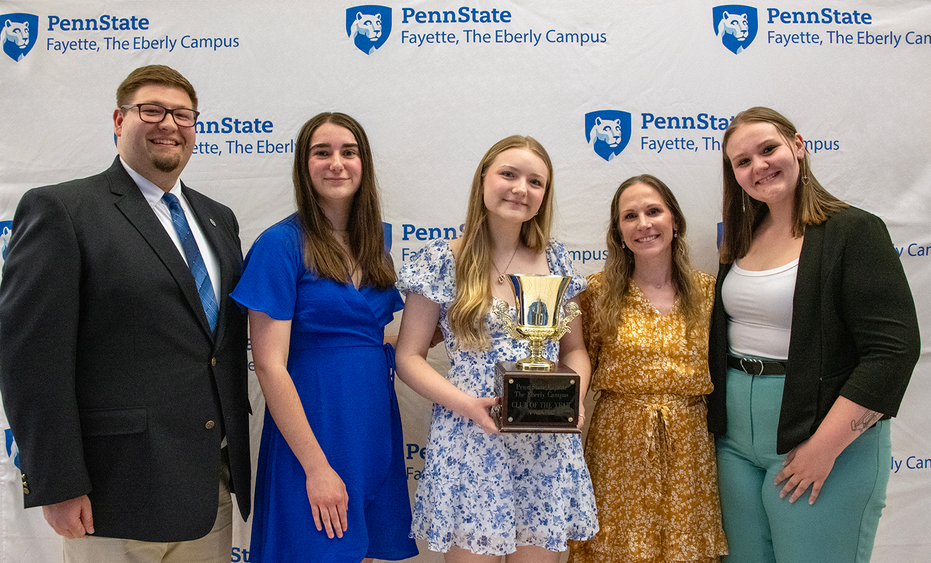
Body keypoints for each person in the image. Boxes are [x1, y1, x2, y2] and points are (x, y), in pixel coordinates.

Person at [0, 65, 251, 562]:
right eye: (151, 110)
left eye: (183, 114)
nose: (169, 124)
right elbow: (30, 361)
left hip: (209, 488)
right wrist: (58, 483)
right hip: (113, 492)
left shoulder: (219, 218)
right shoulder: (63, 210)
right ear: (119, 120)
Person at [709, 107, 920, 563]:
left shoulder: (853, 230)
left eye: (768, 149)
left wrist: (822, 450)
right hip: (735, 444)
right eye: (742, 162)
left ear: (798, 147)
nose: (758, 166)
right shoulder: (743, 237)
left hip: (824, 436)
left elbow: (892, 352)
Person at [395, 135, 598, 562]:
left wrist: (570, 401)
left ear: (545, 195)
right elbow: (409, 357)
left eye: (535, 182)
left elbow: (575, 351)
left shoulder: (557, 261)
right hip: (470, 438)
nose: (520, 189)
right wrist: (467, 405)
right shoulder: (442, 258)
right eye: (508, 174)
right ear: (483, 179)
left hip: (545, 446)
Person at [231, 112, 417, 563]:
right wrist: (316, 468)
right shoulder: (281, 245)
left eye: (348, 152)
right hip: (313, 436)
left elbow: (378, 336)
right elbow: (270, 365)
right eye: (322, 152)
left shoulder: (377, 244)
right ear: (303, 165)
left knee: (364, 554)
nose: (336, 163)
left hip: (373, 429)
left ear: (363, 164)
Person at [568, 175, 728, 563]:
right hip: (619, 441)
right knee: (616, 548)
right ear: (619, 233)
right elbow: (575, 358)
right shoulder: (596, 292)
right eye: (630, 216)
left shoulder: (711, 292)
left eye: (653, 211)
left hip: (689, 443)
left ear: (675, 221)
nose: (643, 224)